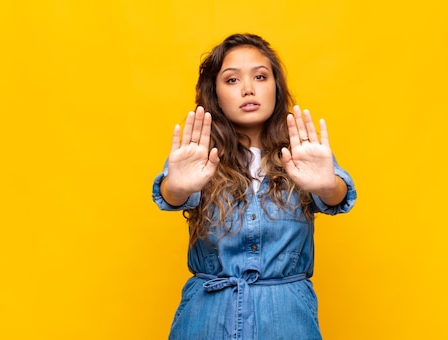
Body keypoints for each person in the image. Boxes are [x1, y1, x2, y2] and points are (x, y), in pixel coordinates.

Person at [152, 33, 357, 340]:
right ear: (215, 93)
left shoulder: (302, 150)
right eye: (232, 80)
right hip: (206, 320)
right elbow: (174, 193)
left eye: (260, 76)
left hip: (286, 319)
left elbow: (335, 195)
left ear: (276, 86)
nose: (248, 89)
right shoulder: (197, 153)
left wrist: (328, 186)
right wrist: (176, 188)